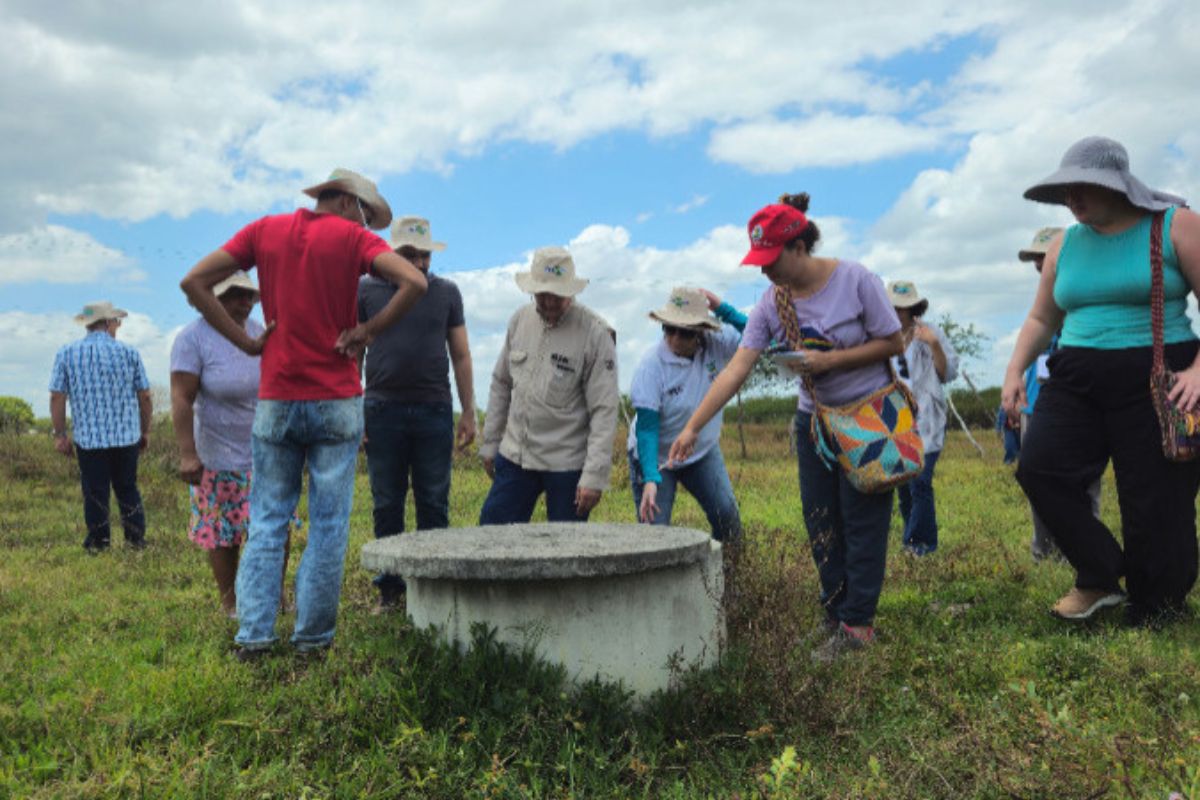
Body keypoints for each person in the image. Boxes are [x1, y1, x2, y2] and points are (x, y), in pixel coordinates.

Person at [180, 168, 428, 659]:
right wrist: (368, 331)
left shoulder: (263, 231)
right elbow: (414, 282)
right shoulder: (352, 237)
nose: (366, 223)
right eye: (364, 213)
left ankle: (254, 635)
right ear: (347, 202)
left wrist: (247, 343)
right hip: (335, 399)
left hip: (276, 400)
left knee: (268, 517)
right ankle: (312, 639)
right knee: (329, 522)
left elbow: (194, 282)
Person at [667, 193, 903, 661]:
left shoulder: (855, 280)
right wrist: (693, 425)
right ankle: (834, 614)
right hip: (814, 423)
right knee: (820, 521)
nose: (763, 270)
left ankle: (858, 626)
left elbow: (892, 340)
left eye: (771, 259)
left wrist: (830, 360)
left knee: (861, 521)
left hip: (867, 417)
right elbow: (737, 367)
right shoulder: (772, 302)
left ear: (798, 247)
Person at [1001, 136, 1200, 626]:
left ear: (1118, 186)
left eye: (1083, 187)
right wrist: (1012, 371)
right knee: (1040, 468)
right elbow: (1041, 320)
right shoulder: (1062, 244)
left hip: (1160, 373)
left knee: (1154, 496)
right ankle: (1101, 572)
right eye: (1066, 190)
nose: (1072, 198)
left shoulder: (1175, 226)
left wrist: (1198, 372)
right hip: (1075, 374)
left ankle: (1157, 606)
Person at [358, 216, 476, 611]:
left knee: (433, 501)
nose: (420, 263)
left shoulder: (447, 293)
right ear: (394, 254)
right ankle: (391, 590)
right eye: (411, 255)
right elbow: (355, 352)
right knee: (387, 501)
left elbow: (460, 354)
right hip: (381, 407)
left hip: (434, 408)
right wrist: (353, 410)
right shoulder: (366, 290)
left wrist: (468, 413)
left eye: (424, 255)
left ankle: (433, 588)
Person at [170, 271, 292, 618]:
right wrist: (187, 453)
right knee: (223, 532)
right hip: (217, 453)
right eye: (233, 293)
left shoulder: (261, 332)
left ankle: (274, 594)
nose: (243, 301)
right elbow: (181, 397)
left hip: (266, 449)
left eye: (248, 294)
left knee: (275, 525)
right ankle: (231, 602)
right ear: (212, 297)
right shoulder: (192, 339)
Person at [478, 246, 619, 524]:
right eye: (542, 294)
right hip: (516, 455)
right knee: (491, 536)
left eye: (557, 295)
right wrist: (491, 443)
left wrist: (594, 475)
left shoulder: (595, 333)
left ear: (571, 291)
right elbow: (501, 384)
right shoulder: (519, 320)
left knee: (566, 556)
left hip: (567, 465)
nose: (550, 302)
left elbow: (604, 410)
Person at [628, 286, 745, 542]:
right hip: (657, 456)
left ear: (701, 331)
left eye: (685, 332)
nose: (674, 339)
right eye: (669, 329)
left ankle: (726, 574)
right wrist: (649, 477)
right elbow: (646, 428)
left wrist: (724, 309)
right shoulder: (651, 367)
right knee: (654, 534)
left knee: (727, 517)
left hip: (701, 451)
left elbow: (761, 339)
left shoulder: (719, 342)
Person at [1017, 227, 1102, 562]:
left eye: (1045, 258)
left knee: (1085, 482)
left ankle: (1084, 553)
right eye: (1038, 260)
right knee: (1036, 477)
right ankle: (1044, 550)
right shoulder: (1042, 308)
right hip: (1035, 405)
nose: (1041, 265)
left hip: (1082, 404)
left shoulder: (1083, 304)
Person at [49, 301, 152, 554]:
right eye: (117, 321)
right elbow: (145, 396)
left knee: (95, 492)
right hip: (126, 436)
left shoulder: (66, 353)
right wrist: (145, 430)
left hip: (89, 439)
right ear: (108, 323)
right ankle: (135, 542)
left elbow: (57, 397)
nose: (119, 326)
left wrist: (60, 434)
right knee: (127, 488)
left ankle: (98, 544)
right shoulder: (129, 353)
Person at [887, 280, 958, 556]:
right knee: (904, 486)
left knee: (921, 480)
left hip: (926, 417)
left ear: (913, 308)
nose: (897, 313)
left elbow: (947, 373)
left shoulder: (930, 333)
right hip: (894, 419)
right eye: (893, 307)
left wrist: (934, 345)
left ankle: (920, 543)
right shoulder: (881, 336)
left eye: (902, 308)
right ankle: (913, 538)